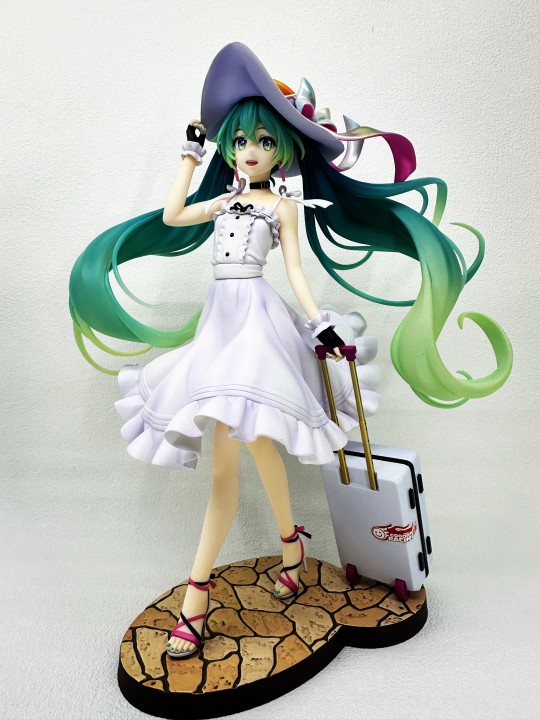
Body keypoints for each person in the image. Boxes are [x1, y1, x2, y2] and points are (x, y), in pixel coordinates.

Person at [69, 43, 512, 659]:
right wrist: (190, 153)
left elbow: (297, 273)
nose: (250, 151)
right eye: (240, 141)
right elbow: (171, 217)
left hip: (257, 328)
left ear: (282, 149)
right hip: (220, 328)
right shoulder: (223, 202)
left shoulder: (281, 208)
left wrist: (320, 325)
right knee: (251, 447)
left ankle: (196, 596)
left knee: (234, 456)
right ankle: (292, 544)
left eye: (263, 141)